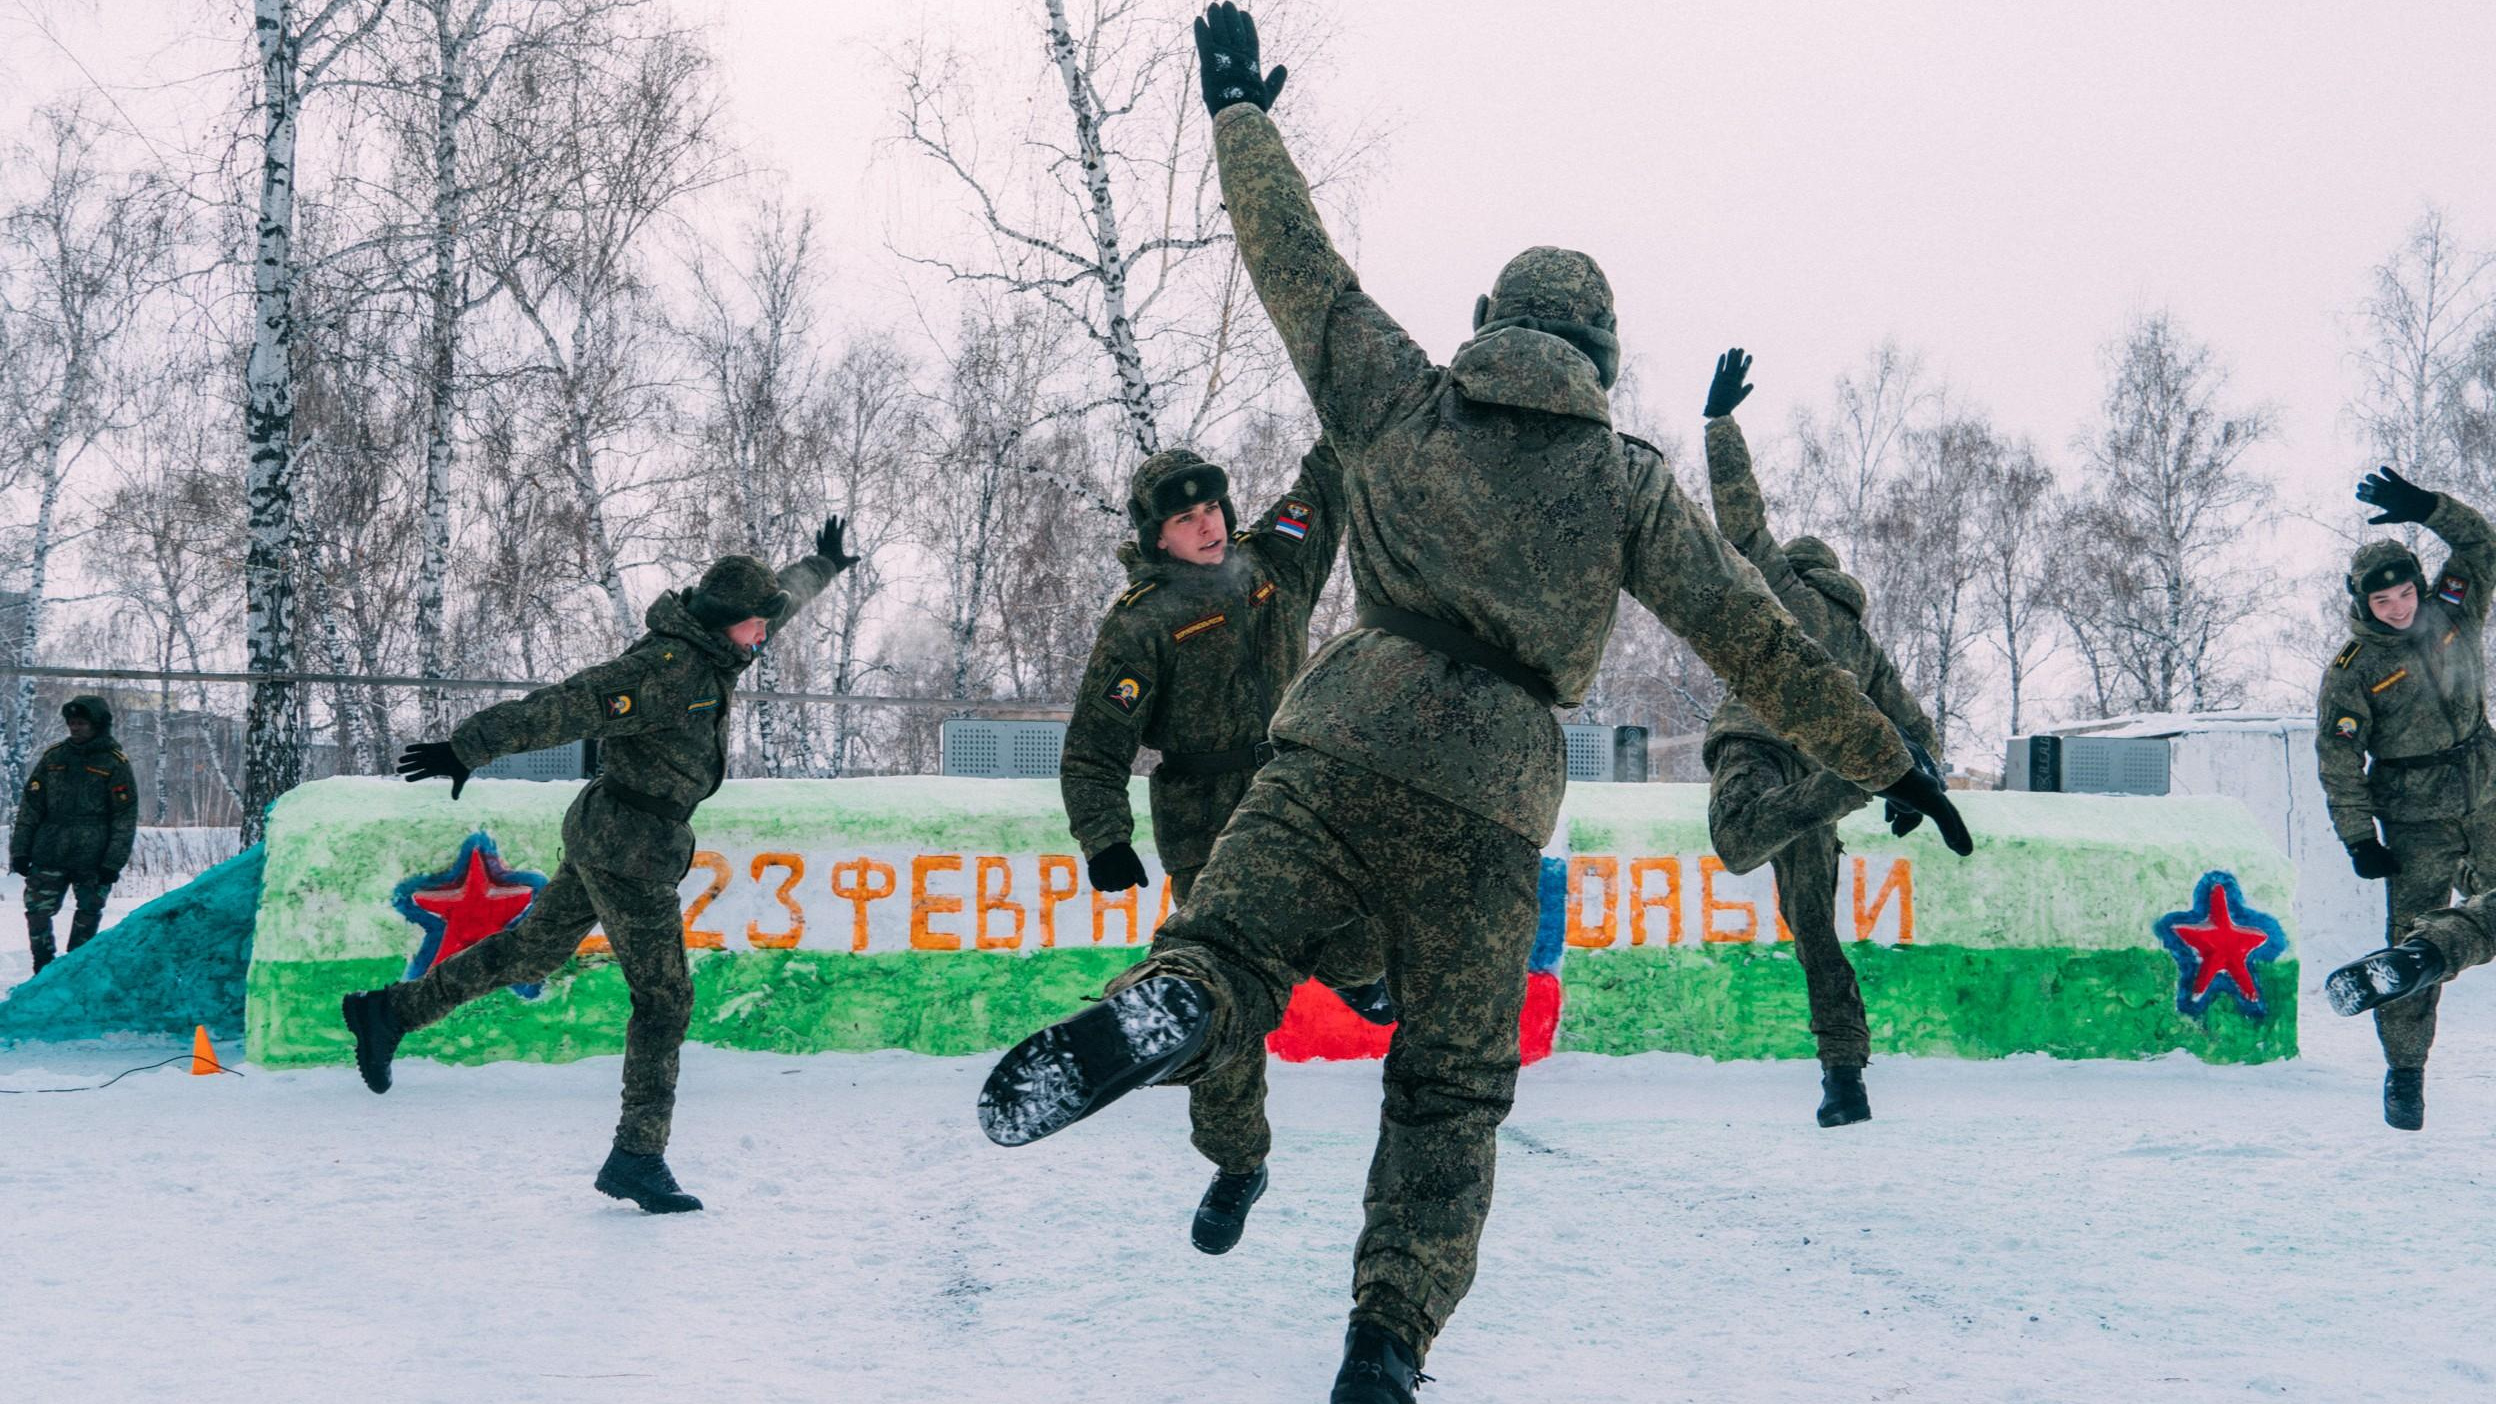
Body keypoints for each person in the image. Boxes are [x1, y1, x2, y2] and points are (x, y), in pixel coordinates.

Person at [978, 9, 1973, 1399]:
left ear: (1490, 323)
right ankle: (1386, 1341)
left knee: (1234, 940)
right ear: (1602, 354)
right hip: (1495, 796)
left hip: (1339, 736)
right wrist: (1890, 754)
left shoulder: (1402, 396)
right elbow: (1757, 637)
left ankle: (1182, 1001)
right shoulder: (1624, 481)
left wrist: (1238, 117)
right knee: (1448, 1087)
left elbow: (1296, 268)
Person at [341, 518, 858, 1212]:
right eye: (754, 625)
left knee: (530, 952)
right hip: (629, 849)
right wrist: (470, 746)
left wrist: (821, 565)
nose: (764, 635)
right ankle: (638, 1157)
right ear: (725, 621)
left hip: (613, 832)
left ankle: (390, 1013)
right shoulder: (666, 671)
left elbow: (783, 603)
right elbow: (569, 704)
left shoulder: (718, 650)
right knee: (665, 999)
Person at [1061, 438, 1394, 1255]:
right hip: (1207, 828)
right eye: (1185, 518)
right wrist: (1105, 837)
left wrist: (1345, 389)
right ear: (1156, 535)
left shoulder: (1274, 563)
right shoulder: (1143, 624)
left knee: (1359, 929)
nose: (1206, 526)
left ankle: (1363, 978)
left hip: (1302, 797)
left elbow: (1327, 478)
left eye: (1211, 508)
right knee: (1222, 1004)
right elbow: (1093, 748)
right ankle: (1239, 1163)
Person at [1697, 349, 1948, 1128]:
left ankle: (1850, 781)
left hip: (1758, 750)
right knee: (1817, 937)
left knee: (1738, 838)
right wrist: (1918, 782)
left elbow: (1742, 521)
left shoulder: (1781, 587)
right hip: (1818, 787)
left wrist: (1719, 424)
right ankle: (1846, 1081)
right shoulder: (1864, 646)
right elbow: (1913, 723)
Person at [2315, 466, 2496, 1129]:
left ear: (2419, 586)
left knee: (2432, 945)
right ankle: (2406, 1071)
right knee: (2404, 945)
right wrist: (2358, 835)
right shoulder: (2352, 671)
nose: (2398, 608)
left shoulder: (2455, 612)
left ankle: (2433, 952)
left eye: (2404, 593)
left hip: (2486, 795)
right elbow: (2338, 755)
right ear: (2362, 605)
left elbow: (2482, 544)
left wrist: (2427, 507)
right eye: (2382, 601)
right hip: (2415, 818)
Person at [9, 696, 138, 976]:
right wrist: (20, 850)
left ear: (98, 725)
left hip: (93, 856)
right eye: (72, 723)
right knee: (37, 911)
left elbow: (124, 817)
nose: (75, 728)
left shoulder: (114, 763)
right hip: (49, 850)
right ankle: (42, 969)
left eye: (82, 723)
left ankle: (74, 972)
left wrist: (112, 863)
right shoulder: (54, 757)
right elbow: (31, 805)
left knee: (88, 914)